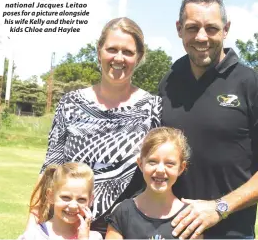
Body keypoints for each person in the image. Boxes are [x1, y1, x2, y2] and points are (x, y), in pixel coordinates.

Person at [158, 0, 258, 239]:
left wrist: (220, 207)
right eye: (192, 28)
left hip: (231, 233)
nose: (201, 37)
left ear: (226, 29)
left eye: (211, 28)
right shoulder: (168, 82)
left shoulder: (252, 85)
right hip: (170, 232)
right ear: (179, 28)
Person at [26, 17, 161, 236]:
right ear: (99, 52)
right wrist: (32, 226)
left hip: (125, 229)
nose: (119, 58)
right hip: (66, 227)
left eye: (127, 52)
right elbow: (50, 168)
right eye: (112, 49)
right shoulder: (70, 103)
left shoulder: (153, 107)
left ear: (139, 57)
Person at [105, 127, 202, 239]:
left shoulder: (189, 217)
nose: (160, 170)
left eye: (169, 163)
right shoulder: (123, 212)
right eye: (152, 162)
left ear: (181, 168)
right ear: (140, 164)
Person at [19, 162, 102, 240]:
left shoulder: (94, 237)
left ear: (91, 200)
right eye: (66, 197)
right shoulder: (34, 236)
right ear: (50, 196)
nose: (73, 205)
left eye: (81, 199)